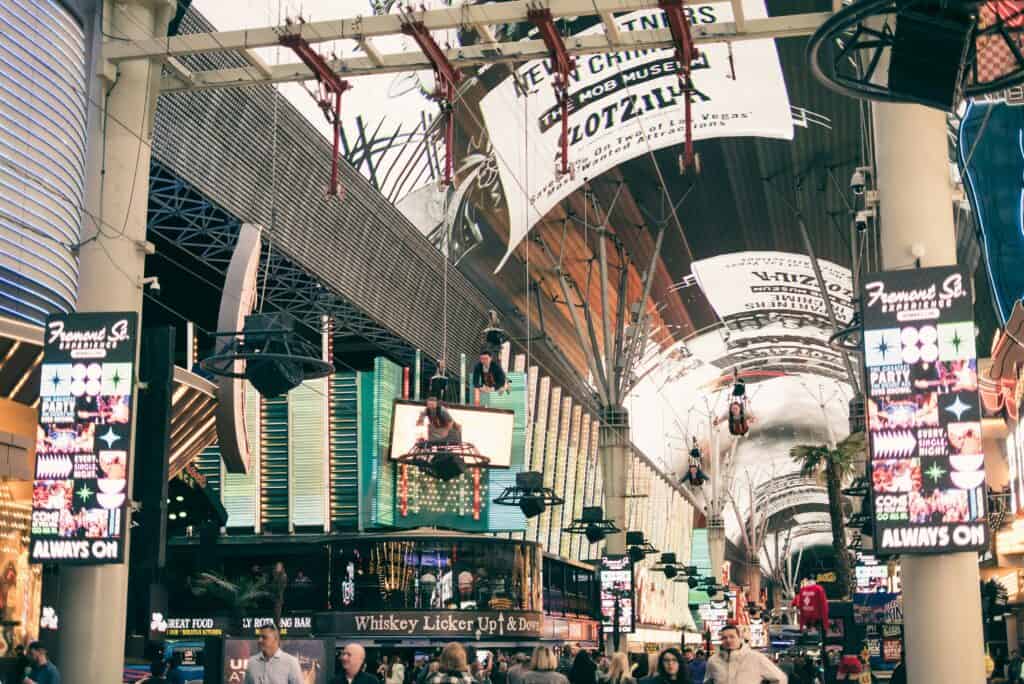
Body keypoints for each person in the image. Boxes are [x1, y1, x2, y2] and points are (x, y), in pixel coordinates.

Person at [705, 625, 787, 684]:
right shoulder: (713, 660)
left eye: (732, 636)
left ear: (739, 638)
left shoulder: (755, 657)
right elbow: (708, 681)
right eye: (724, 638)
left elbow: (780, 678)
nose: (728, 640)